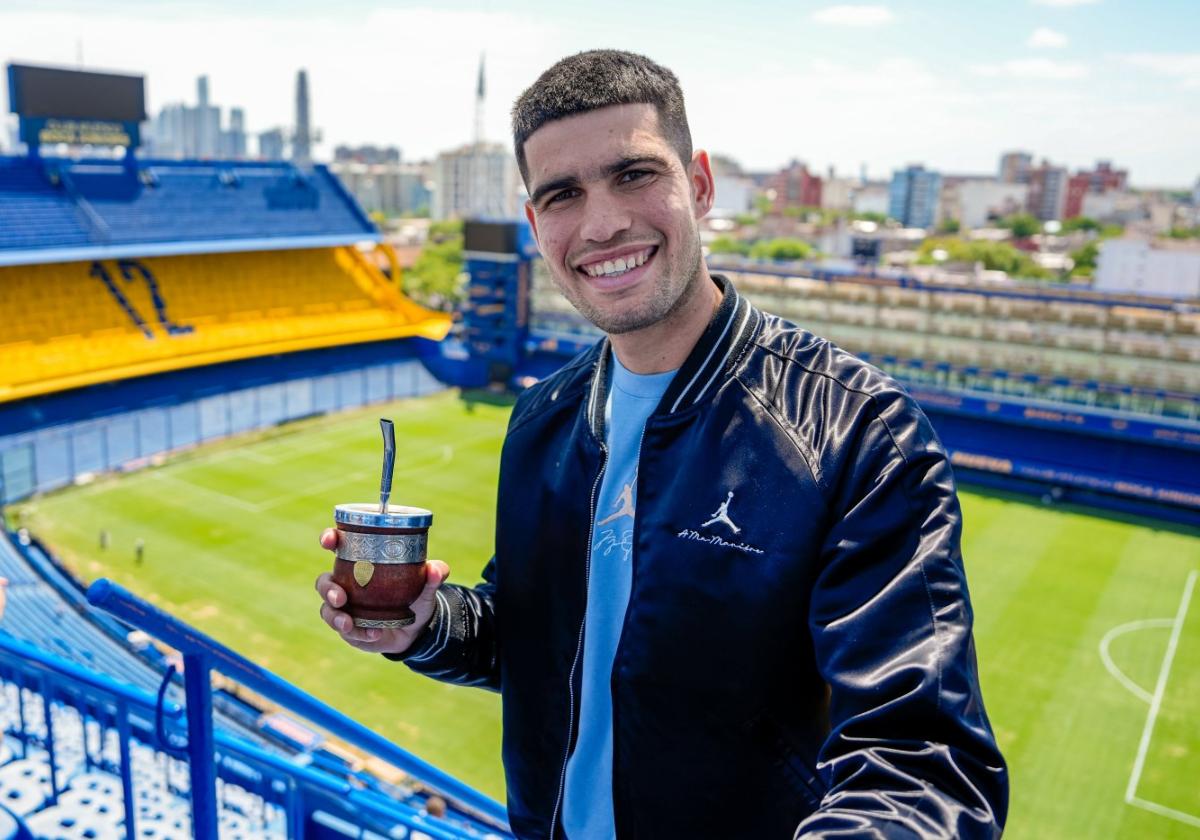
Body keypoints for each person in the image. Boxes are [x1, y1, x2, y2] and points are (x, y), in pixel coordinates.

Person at [316, 50, 1008, 838]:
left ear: (700, 184)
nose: (603, 222)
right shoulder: (543, 418)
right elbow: (538, 641)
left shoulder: (854, 431)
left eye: (635, 174)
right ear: (536, 224)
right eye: (563, 194)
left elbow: (922, 767)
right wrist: (426, 621)